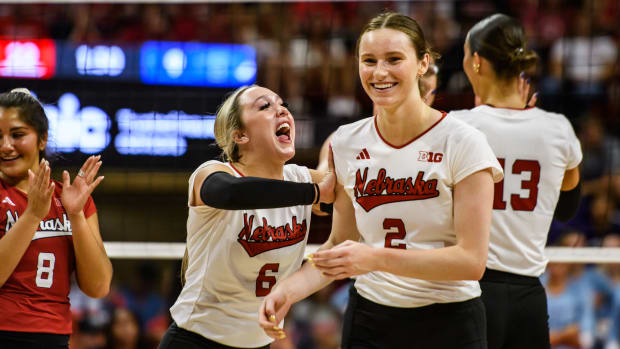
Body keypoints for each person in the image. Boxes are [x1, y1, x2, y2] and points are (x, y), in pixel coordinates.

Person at [260, 12, 503, 349]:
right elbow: (339, 246)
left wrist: (375, 258)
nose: (379, 72)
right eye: (369, 60)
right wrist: (287, 290)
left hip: (449, 321)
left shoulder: (463, 141)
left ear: (423, 64)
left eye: (394, 59)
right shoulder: (345, 142)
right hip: (369, 319)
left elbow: (471, 261)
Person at [157, 84, 335, 349]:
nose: (282, 111)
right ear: (240, 135)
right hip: (195, 340)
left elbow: (360, 200)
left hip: (259, 343)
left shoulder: (301, 179)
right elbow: (231, 194)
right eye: (265, 106)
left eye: (282, 104)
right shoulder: (212, 173)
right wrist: (315, 192)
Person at [453, 13, 583, 349]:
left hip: (471, 292)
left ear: (477, 62)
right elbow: (567, 209)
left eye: (466, 56)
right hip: (529, 299)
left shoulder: (455, 127)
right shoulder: (559, 128)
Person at [0, 88, 112, 348]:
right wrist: (32, 216)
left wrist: (76, 216)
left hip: (54, 337)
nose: (6, 146)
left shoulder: (70, 199)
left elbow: (98, 287)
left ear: (42, 139)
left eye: (17, 135)